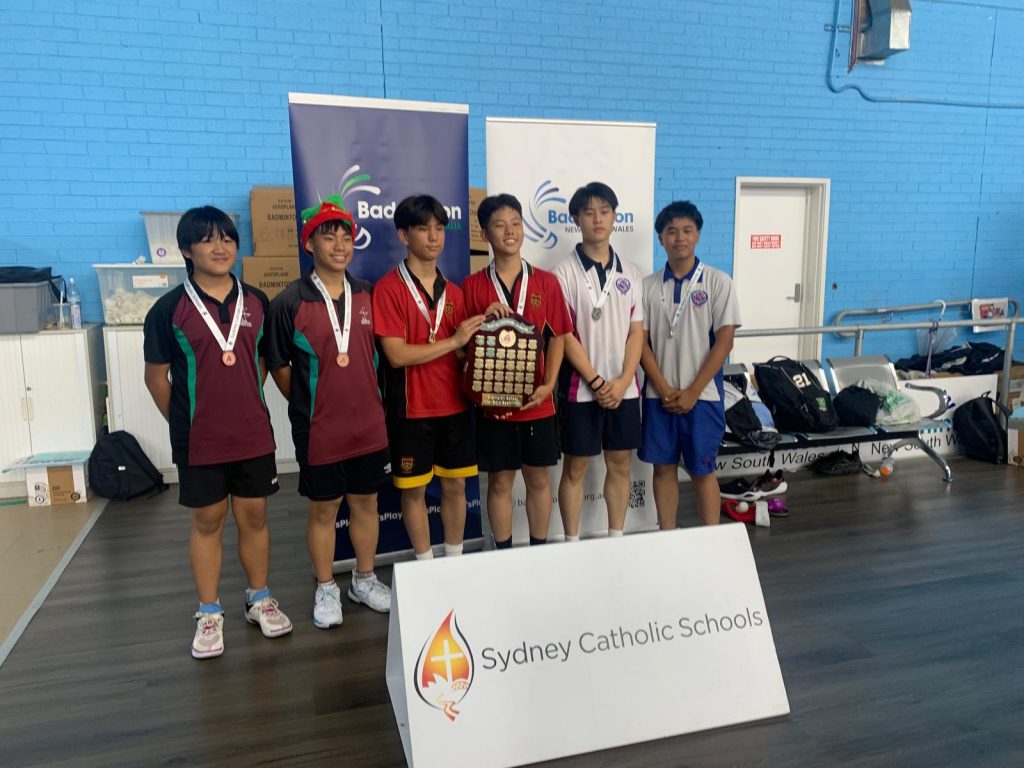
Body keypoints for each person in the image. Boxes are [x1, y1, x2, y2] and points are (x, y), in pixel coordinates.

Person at [143, 206, 292, 660]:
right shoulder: (168, 310)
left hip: (252, 435)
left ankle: (259, 598)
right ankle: (208, 612)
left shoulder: (258, 301)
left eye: (227, 238)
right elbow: (156, 379)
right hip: (199, 440)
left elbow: (260, 364)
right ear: (187, 250)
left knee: (255, 517)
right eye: (208, 240)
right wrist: (187, 423)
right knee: (207, 521)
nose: (220, 247)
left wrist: (241, 404)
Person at [265, 196, 392, 627]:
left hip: (369, 425)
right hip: (320, 429)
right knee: (323, 510)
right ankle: (325, 587)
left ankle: (364, 580)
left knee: (367, 503)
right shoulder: (288, 302)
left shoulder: (368, 294)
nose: (339, 245)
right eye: (328, 236)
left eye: (345, 236)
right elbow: (279, 367)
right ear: (309, 244)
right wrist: (310, 405)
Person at [373, 195, 484, 559]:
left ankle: (454, 561)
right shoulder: (388, 288)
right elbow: (396, 355)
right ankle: (425, 564)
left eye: (439, 228)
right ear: (404, 235)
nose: (434, 236)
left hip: (455, 406)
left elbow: (463, 352)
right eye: (423, 228)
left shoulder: (455, 292)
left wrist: (494, 328)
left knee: (456, 487)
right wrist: (454, 341)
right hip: (411, 409)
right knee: (414, 492)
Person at [462, 193, 573, 548]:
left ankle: (538, 551)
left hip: (537, 402)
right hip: (494, 405)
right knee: (499, 482)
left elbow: (559, 337)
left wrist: (550, 384)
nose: (509, 231)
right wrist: (482, 320)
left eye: (515, 223)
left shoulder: (546, 282)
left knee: (538, 480)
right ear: (485, 234)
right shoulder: (472, 286)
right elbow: (463, 346)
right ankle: (504, 552)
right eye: (499, 225)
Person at [639, 200, 741, 528]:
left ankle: (711, 539)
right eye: (671, 231)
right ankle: (667, 535)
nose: (679, 238)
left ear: (697, 235)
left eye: (687, 230)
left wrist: (693, 391)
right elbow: (640, 343)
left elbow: (724, 341)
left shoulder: (718, 282)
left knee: (702, 470)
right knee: (663, 468)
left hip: (704, 397)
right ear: (661, 238)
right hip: (659, 397)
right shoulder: (647, 286)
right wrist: (664, 388)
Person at [553, 182, 645, 540]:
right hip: (580, 389)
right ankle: (572, 542)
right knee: (575, 468)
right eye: (589, 212)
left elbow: (636, 333)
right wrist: (594, 380)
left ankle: (616, 539)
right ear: (576, 219)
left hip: (624, 389)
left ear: (615, 216)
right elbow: (564, 334)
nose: (597, 219)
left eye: (604, 211)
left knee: (620, 465)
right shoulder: (563, 273)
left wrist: (621, 381)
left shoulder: (631, 273)